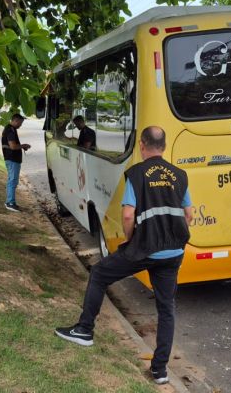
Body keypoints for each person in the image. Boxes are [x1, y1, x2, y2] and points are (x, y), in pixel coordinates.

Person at [55, 126, 192, 385]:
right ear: (163, 146)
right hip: (173, 251)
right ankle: (160, 371)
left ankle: (84, 330)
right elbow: (189, 214)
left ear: (142, 145)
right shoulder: (179, 175)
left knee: (99, 273)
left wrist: (131, 239)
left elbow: (128, 214)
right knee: (166, 309)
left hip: (145, 247)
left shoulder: (137, 173)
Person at [1, 113, 30, 212]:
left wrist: (21, 146)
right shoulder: (10, 130)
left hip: (12, 159)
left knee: (12, 180)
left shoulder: (10, 129)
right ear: (15, 121)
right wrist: (23, 145)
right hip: (12, 159)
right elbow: (13, 146)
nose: (20, 125)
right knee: (12, 181)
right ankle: (10, 202)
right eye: (20, 123)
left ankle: (10, 201)